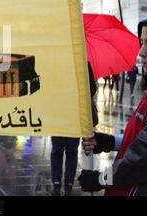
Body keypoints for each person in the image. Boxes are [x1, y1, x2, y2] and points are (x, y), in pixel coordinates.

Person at [78, 11, 147, 196]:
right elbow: (142, 138)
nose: (141, 52)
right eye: (142, 43)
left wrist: (100, 179)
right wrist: (110, 141)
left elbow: (142, 161)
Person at [50, 62, 98, 196]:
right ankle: (58, 182)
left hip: (72, 113)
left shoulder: (83, 62)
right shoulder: (57, 61)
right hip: (60, 113)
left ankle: (66, 182)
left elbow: (91, 88)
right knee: (59, 150)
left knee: (67, 150)